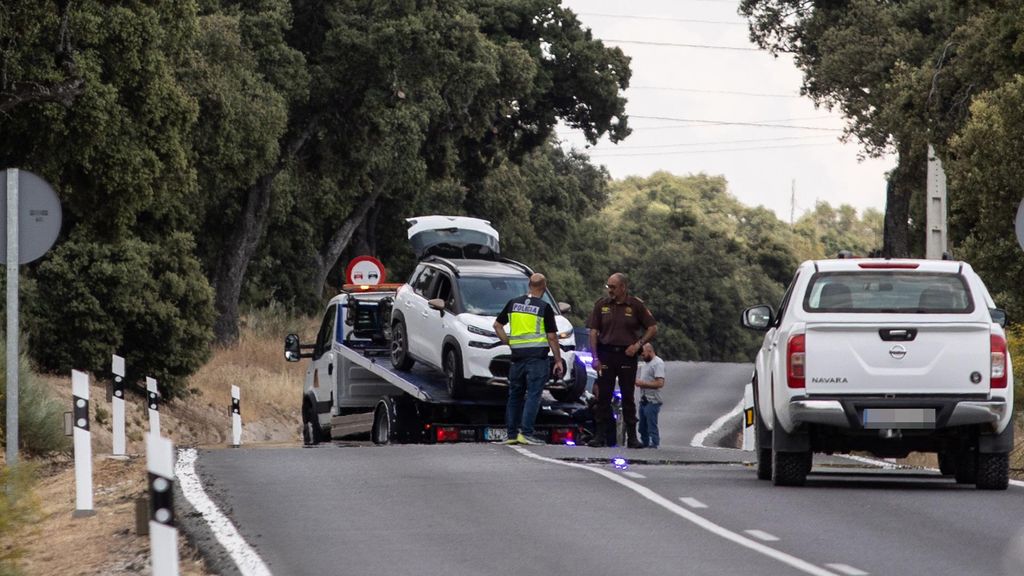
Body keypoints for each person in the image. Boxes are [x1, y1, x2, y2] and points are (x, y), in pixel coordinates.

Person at [587, 273, 657, 448]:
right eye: (608, 286)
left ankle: (632, 437)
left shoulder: (635, 305)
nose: (610, 290)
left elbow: (652, 328)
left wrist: (638, 344)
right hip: (606, 354)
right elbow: (593, 332)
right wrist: (595, 357)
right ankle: (600, 435)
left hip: (626, 355)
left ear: (623, 287)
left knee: (627, 395)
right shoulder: (601, 305)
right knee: (603, 395)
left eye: (613, 287)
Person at [493, 273, 565, 445]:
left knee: (515, 396)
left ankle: (511, 435)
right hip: (536, 359)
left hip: (517, 358)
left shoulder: (513, 303)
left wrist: (510, 343)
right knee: (533, 394)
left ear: (529, 285)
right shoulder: (544, 307)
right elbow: (552, 337)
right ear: (544, 287)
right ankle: (526, 433)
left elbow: (497, 326)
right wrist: (558, 360)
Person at [636, 343, 666, 449]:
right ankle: (645, 442)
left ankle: (654, 442)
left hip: (653, 400)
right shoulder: (645, 364)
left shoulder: (658, 363)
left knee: (651, 424)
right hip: (644, 399)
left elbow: (660, 383)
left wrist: (642, 384)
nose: (642, 356)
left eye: (643, 354)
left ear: (649, 351)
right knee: (642, 426)